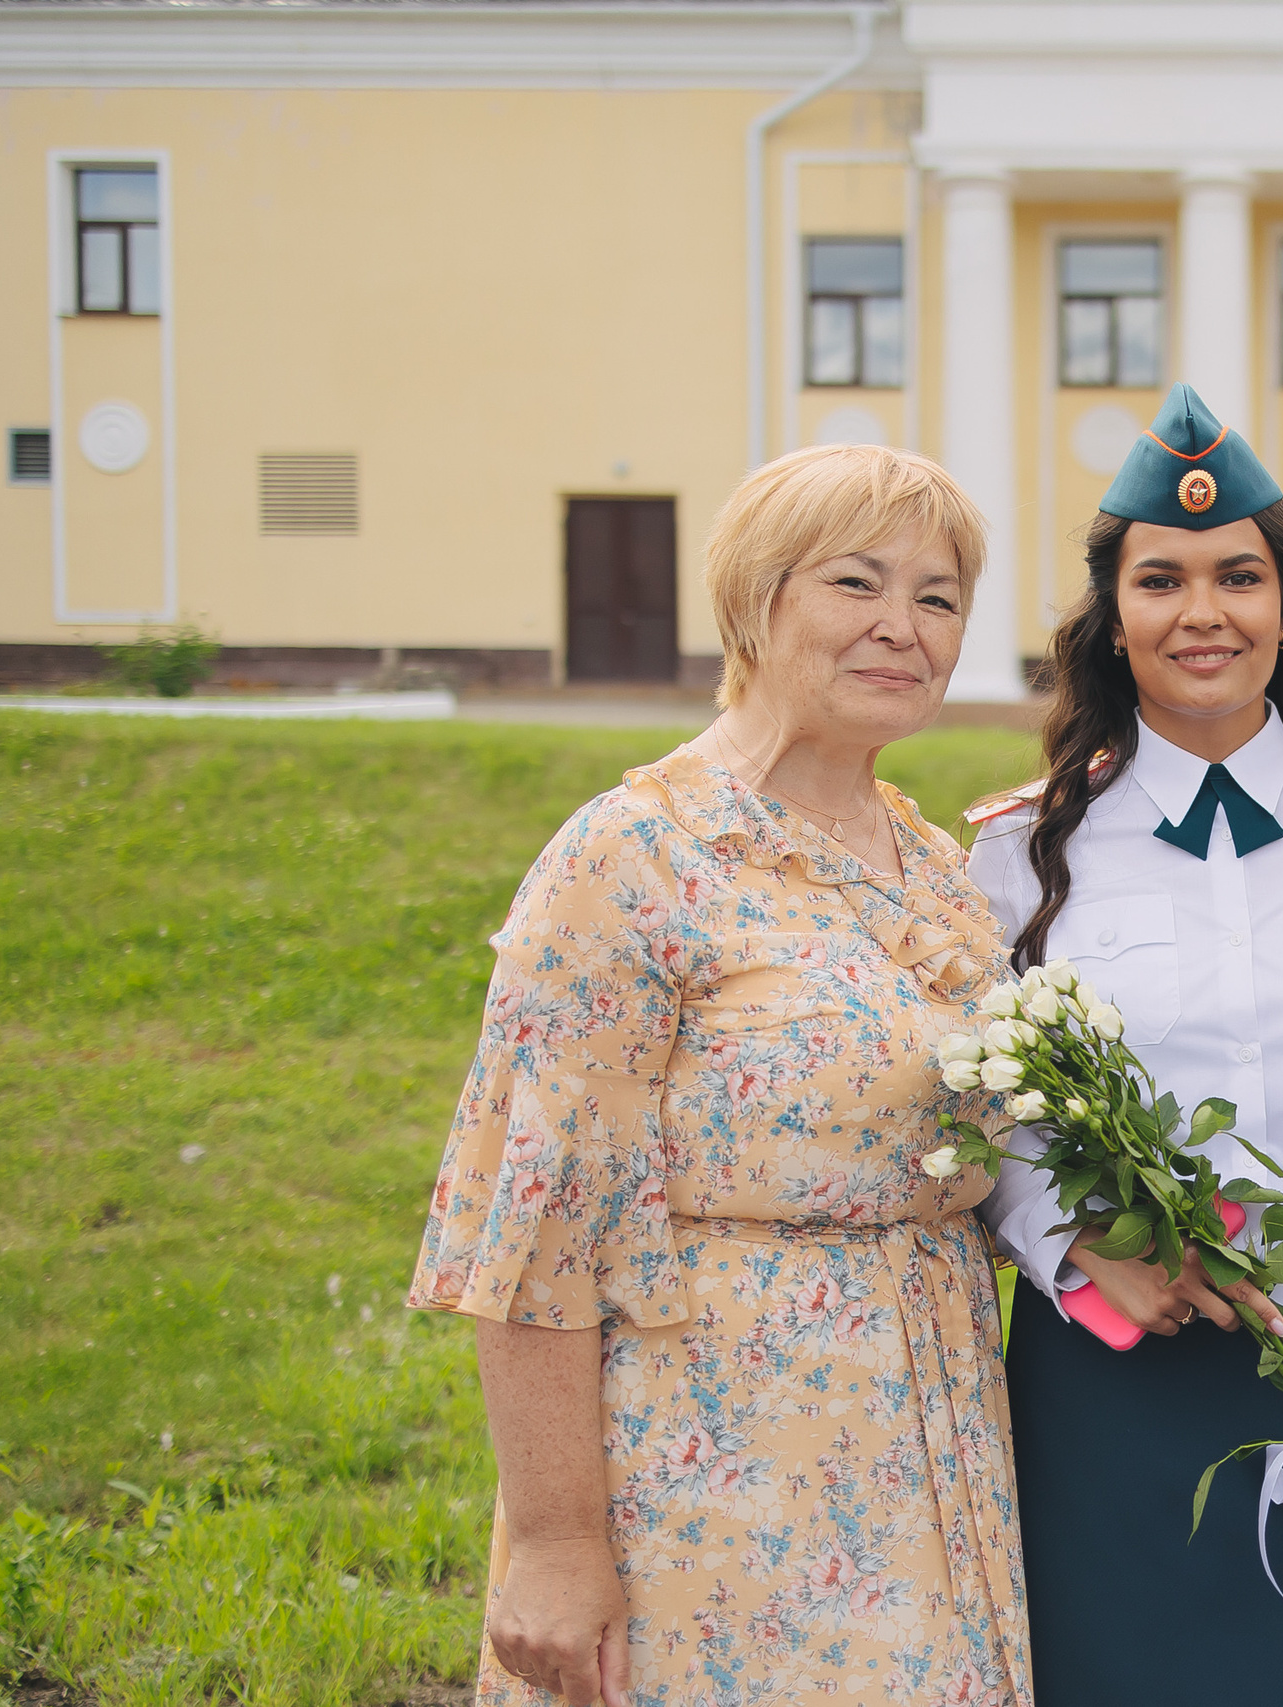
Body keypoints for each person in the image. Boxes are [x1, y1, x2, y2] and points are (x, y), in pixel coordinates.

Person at [408, 444, 1032, 1707]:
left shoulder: (930, 859)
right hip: (715, 1463)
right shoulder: (632, 855)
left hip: (932, 1446)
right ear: (756, 598)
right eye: (857, 584)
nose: (901, 629)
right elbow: (538, 1228)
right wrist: (556, 1542)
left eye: (938, 596)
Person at [969, 385, 1283, 1707]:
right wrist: (1076, 1242)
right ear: (1115, 616)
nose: (1202, 610)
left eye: (1240, 574)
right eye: (1160, 578)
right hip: (1110, 1362)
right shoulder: (1014, 847)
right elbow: (978, 1097)